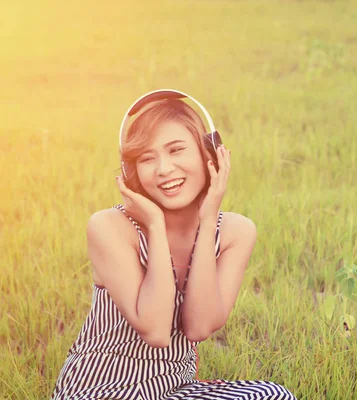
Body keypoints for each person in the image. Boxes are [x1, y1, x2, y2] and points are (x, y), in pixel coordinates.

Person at [51, 91, 296, 399]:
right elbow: (155, 330)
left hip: (173, 391)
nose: (163, 169)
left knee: (273, 396)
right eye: (147, 158)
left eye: (176, 150)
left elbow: (198, 327)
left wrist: (207, 223)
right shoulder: (109, 227)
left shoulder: (236, 232)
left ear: (209, 153)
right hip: (100, 390)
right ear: (130, 171)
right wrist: (154, 225)